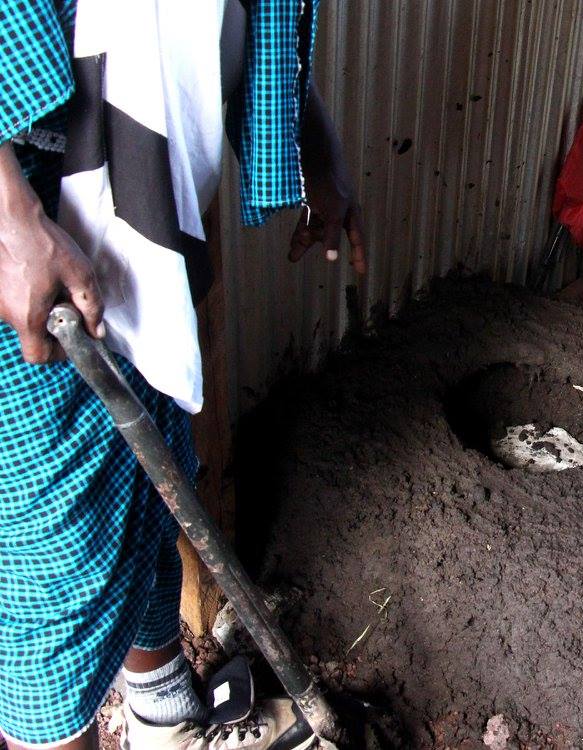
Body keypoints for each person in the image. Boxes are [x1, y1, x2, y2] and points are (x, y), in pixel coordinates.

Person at [0, 0, 365, 748]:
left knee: (145, 488)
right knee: (61, 553)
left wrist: (318, 155)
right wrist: (9, 218)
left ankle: (163, 717)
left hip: (140, 176)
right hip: (30, 192)